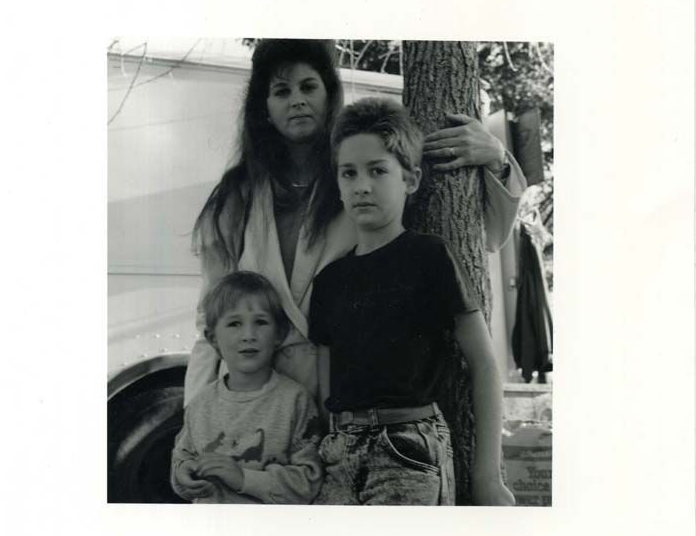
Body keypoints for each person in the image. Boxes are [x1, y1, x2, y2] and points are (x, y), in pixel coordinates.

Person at [185, 39, 527, 411]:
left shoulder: (358, 180)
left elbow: (487, 237)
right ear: (264, 109)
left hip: (341, 398)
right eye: (281, 91)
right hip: (249, 404)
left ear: (330, 95)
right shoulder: (237, 195)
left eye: (308, 87)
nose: (297, 100)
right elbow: (210, 317)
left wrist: (498, 160)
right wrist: (196, 419)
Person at [309, 97, 515, 506]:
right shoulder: (329, 280)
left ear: (411, 180)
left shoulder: (430, 257)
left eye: (378, 170)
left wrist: (487, 475)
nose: (361, 185)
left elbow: (484, 364)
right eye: (349, 173)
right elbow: (324, 385)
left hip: (407, 448)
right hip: (339, 453)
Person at [171, 271, 322, 504]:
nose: (248, 335)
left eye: (260, 322)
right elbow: (181, 461)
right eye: (234, 324)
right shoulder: (200, 404)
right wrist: (184, 475)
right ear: (213, 338)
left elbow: (308, 483)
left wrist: (243, 479)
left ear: (279, 334)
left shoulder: (295, 401)